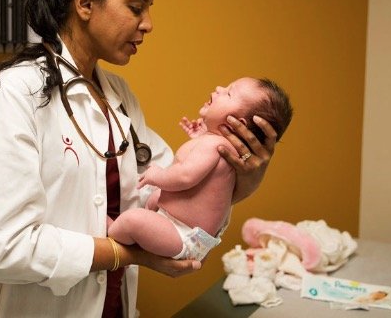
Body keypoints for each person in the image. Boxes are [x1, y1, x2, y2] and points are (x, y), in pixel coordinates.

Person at [0, 0, 279, 318]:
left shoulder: (118, 95)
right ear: (85, 4)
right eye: (135, 7)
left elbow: (173, 194)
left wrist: (247, 178)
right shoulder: (12, 95)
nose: (149, 24)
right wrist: (125, 253)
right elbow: (2, 248)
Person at [108, 77, 293, 262]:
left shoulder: (214, 146)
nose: (219, 88)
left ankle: (112, 231)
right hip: (181, 229)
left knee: (133, 220)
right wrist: (199, 138)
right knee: (154, 199)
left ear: (236, 124)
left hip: (183, 234)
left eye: (229, 93)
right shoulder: (218, 146)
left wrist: (157, 175)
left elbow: (185, 176)